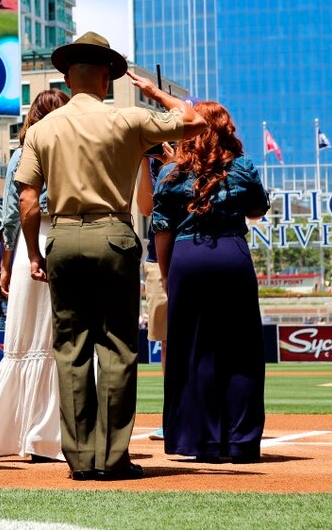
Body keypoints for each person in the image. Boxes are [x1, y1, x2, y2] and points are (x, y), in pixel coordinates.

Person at [14, 31, 205, 481]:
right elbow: (194, 121)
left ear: (66, 77)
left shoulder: (41, 128)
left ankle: (80, 459)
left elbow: (26, 201)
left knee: (71, 349)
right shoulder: (129, 119)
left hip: (61, 236)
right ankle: (113, 457)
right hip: (114, 235)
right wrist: (156, 93)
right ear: (106, 77)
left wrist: (34, 255)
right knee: (117, 348)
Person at [152, 101, 270, 463]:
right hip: (231, 254)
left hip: (188, 257)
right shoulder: (242, 167)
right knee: (242, 351)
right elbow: (257, 210)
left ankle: (197, 440)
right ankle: (240, 442)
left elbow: (162, 229)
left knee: (191, 351)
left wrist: (168, 274)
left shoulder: (171, 174)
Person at [0, 89, 70, 461]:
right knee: (57, 337)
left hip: (29, 244)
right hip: (62, 235)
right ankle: (52, 435)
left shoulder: (22, 152)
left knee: (26, 337)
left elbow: (12, 215)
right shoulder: (70, 148)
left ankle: (18, 434)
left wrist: (6, 262)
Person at [136, 142, 175, 441]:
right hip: (156, 259)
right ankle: (173, 415)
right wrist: (142, 161)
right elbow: (146, 208)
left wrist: (175, 162)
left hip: (190, 249)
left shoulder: (197, 158)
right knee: (166, 342)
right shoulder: (151, 165)